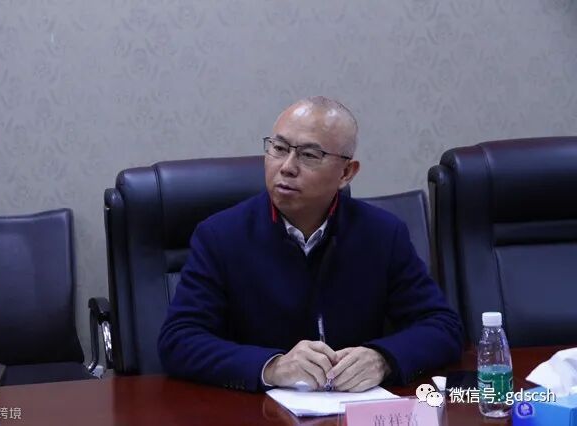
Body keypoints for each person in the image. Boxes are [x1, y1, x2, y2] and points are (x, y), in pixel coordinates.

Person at [158, 96, 463, 392]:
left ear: (346, 173)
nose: (287, 167)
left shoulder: (382, 234)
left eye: (309, 155)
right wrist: (272, 367)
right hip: (258, 411)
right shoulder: (221, 235)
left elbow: (443, 325)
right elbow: (179, 340)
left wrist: (383, 359)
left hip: (353, 407)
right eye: (279, 148)